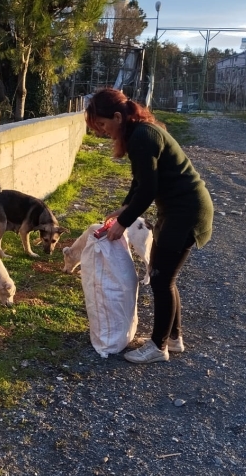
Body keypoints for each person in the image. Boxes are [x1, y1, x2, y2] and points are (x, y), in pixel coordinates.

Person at [85, 88, 214, 364]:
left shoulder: (143, 136)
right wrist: (123, 207)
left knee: (161, 278)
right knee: (163, 275)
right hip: (176, 208)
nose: (103, 132)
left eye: (104, 125)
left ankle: (158, 347)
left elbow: (148, 190)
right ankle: (173, 338)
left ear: (117, 117)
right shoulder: (137, 133)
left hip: (187, 211)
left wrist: (123, 223)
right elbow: (140, 182)